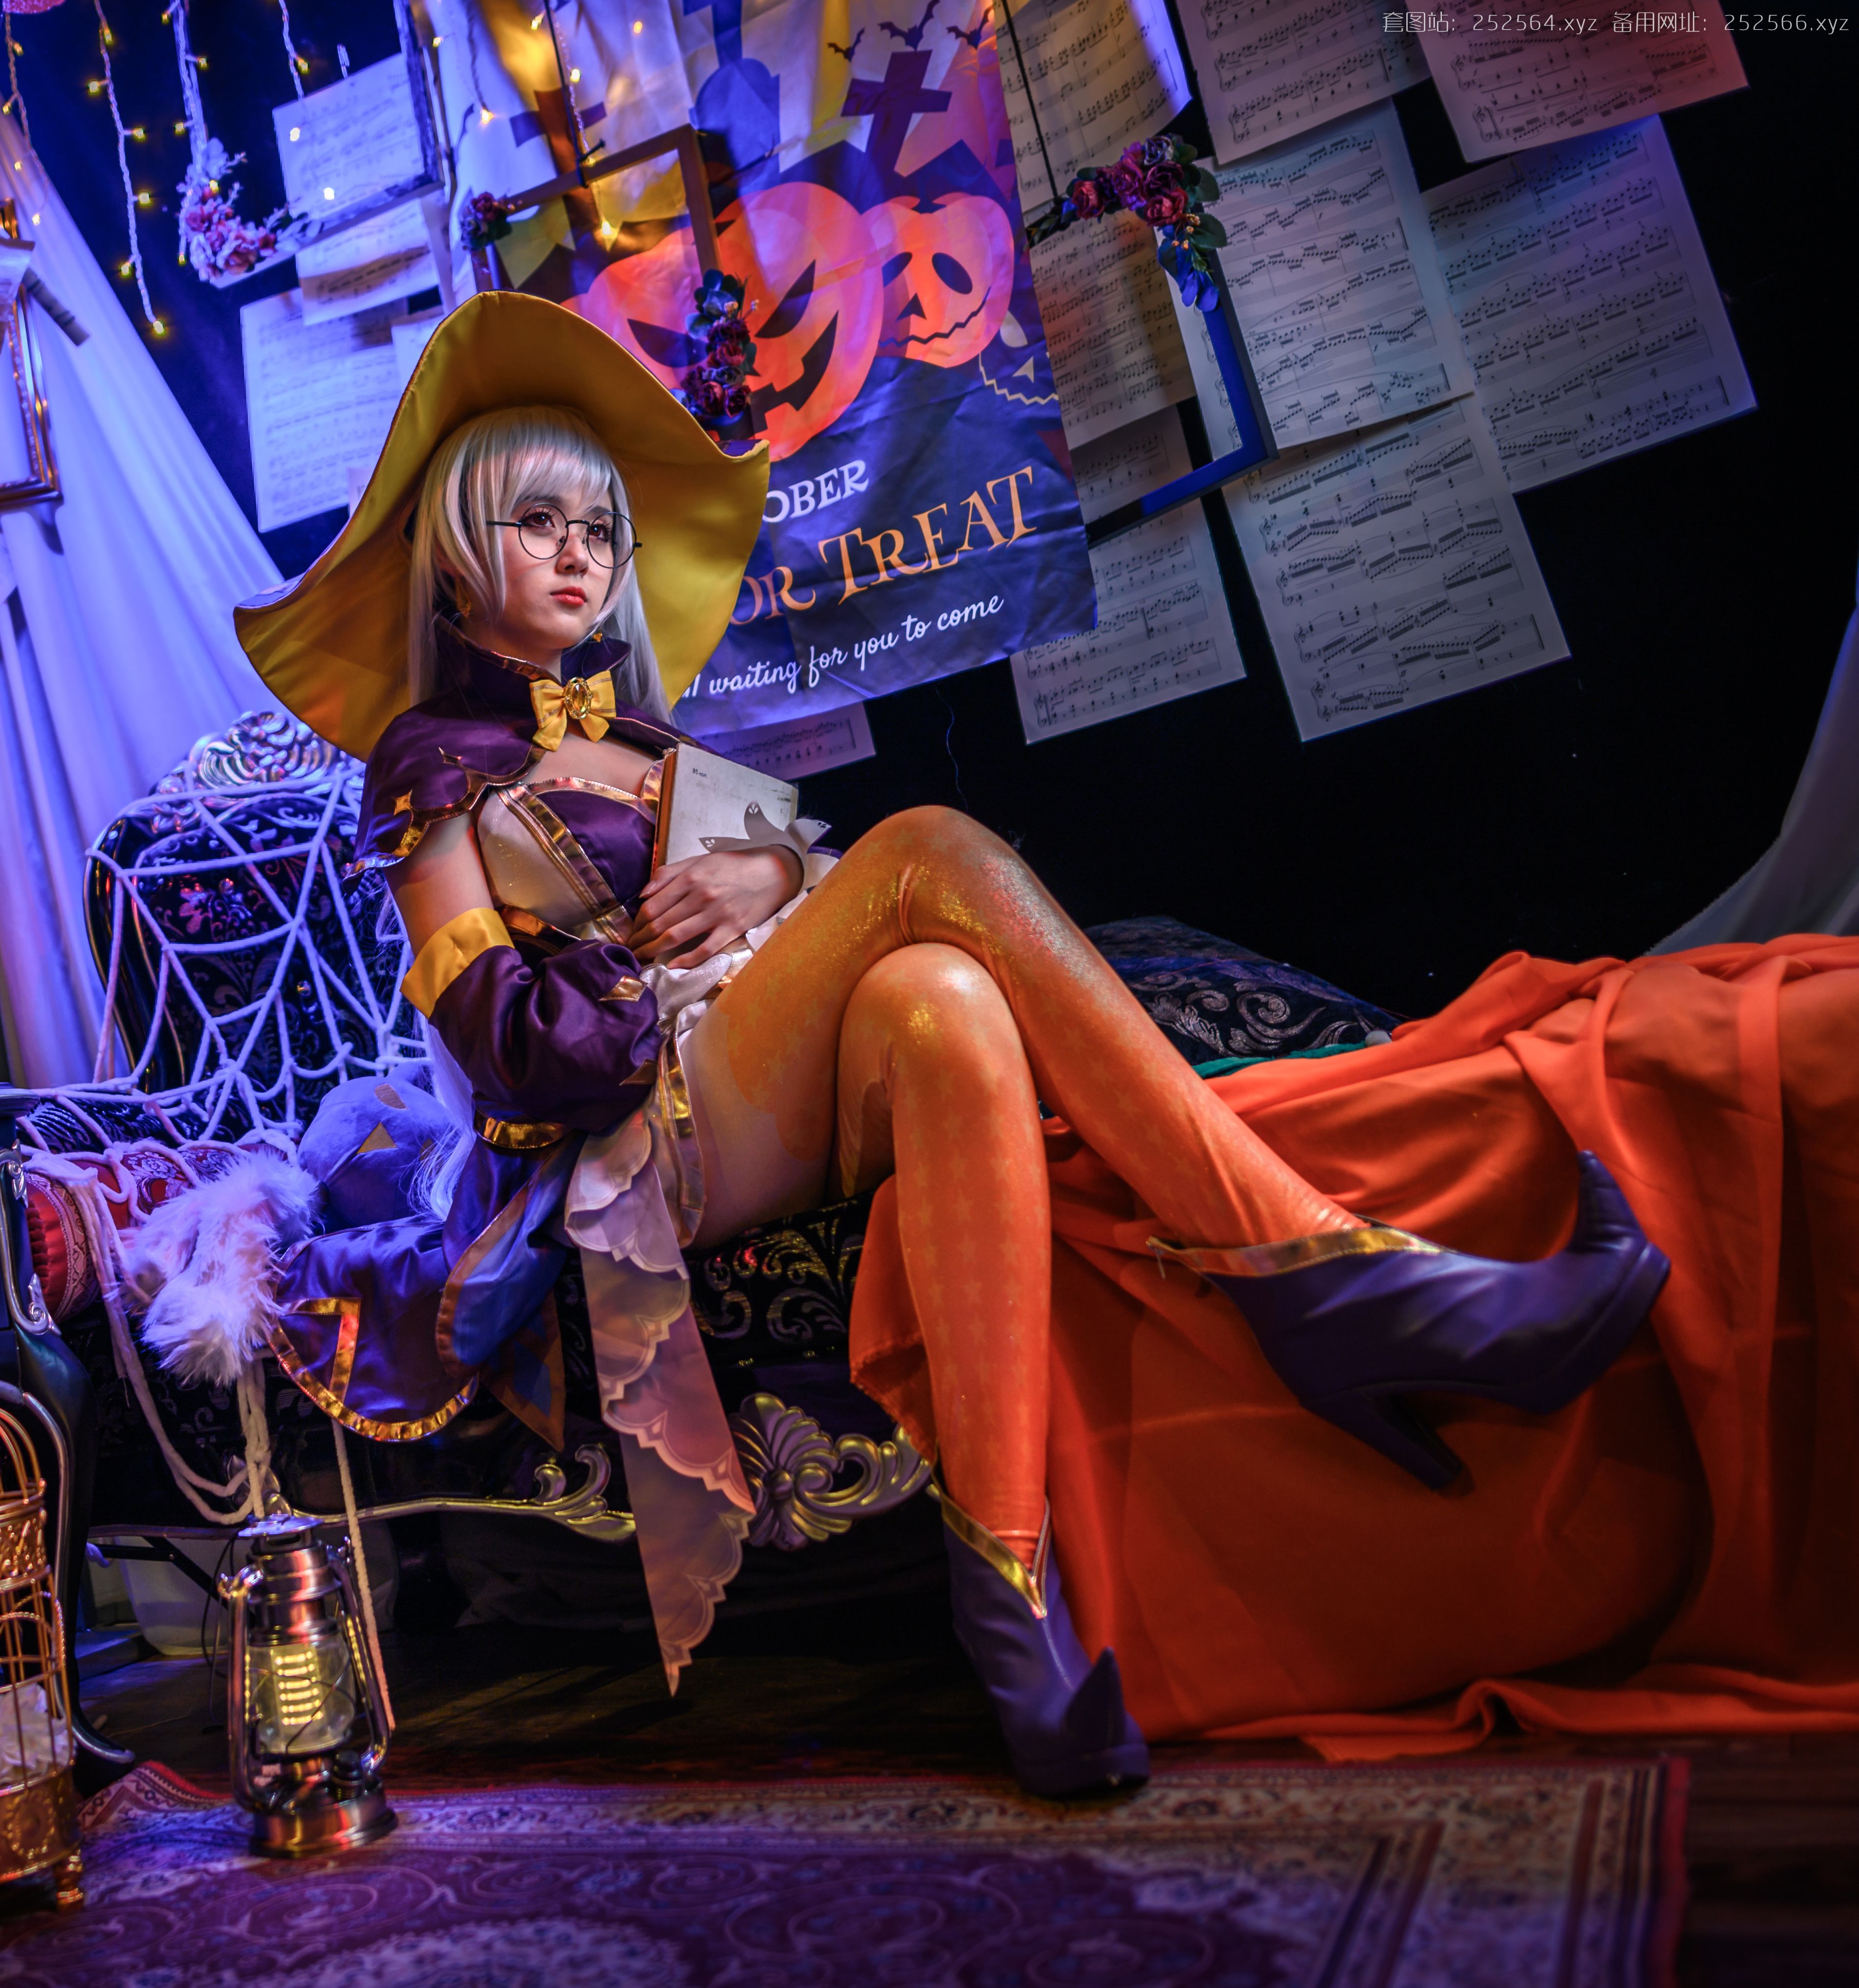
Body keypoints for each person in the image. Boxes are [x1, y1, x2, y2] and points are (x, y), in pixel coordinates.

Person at [234, 293, 1850, 1794]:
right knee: (930, 844)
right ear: (457, 554)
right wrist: (668, 946)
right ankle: (1325, 1273)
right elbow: (518, 1056)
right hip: (610, 1151)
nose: (579, 555)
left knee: (945, 1004)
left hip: (725, 1078)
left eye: (599, 526)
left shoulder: (644, 735)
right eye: (537, 521)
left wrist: (766, 877)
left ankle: (1014, 1603)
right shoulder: (423, 763)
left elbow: (784, 883)